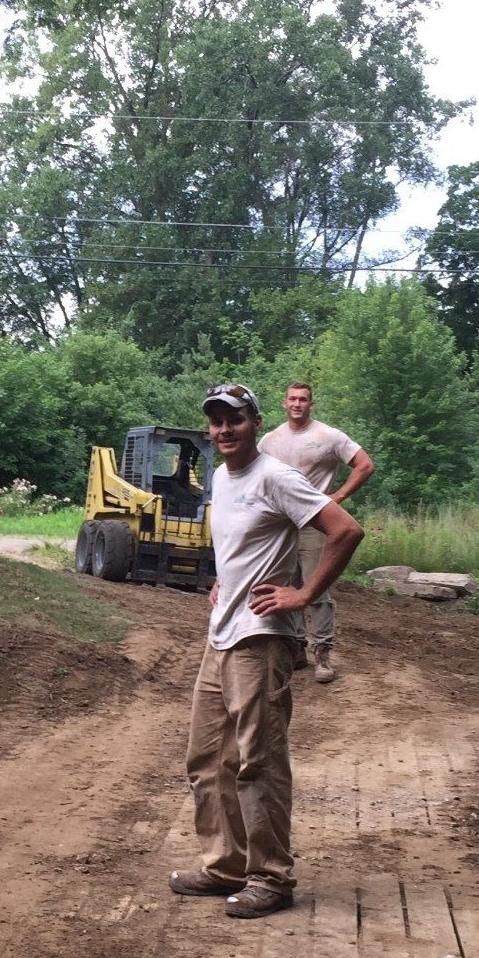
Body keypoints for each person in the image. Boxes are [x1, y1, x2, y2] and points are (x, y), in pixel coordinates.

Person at [170, 382, 363, 919]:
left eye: (234, 419)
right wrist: (221, 583)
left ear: (255, 422)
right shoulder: (219, 476)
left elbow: (345, 529)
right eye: (215, 421)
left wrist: (305, 593)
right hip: (221, 633)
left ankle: (271, 878)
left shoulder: (276, 476)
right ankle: (224, 865)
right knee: (208, 759)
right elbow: (240, 545)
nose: (224, 429)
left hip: (262, 640)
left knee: (259, 761)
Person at [258, 382, 374, 685]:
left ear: (312, 404)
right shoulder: (270, 441)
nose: (298, 403)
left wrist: (337, 498)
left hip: (314, 522)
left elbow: (364, 465)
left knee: (316, 584)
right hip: (281, 525)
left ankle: (323, 651)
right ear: (284, 403)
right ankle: (297, 647)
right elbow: (255, 476)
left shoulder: (328, 436)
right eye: (293, 399)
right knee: (287, 583)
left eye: (304, 399)